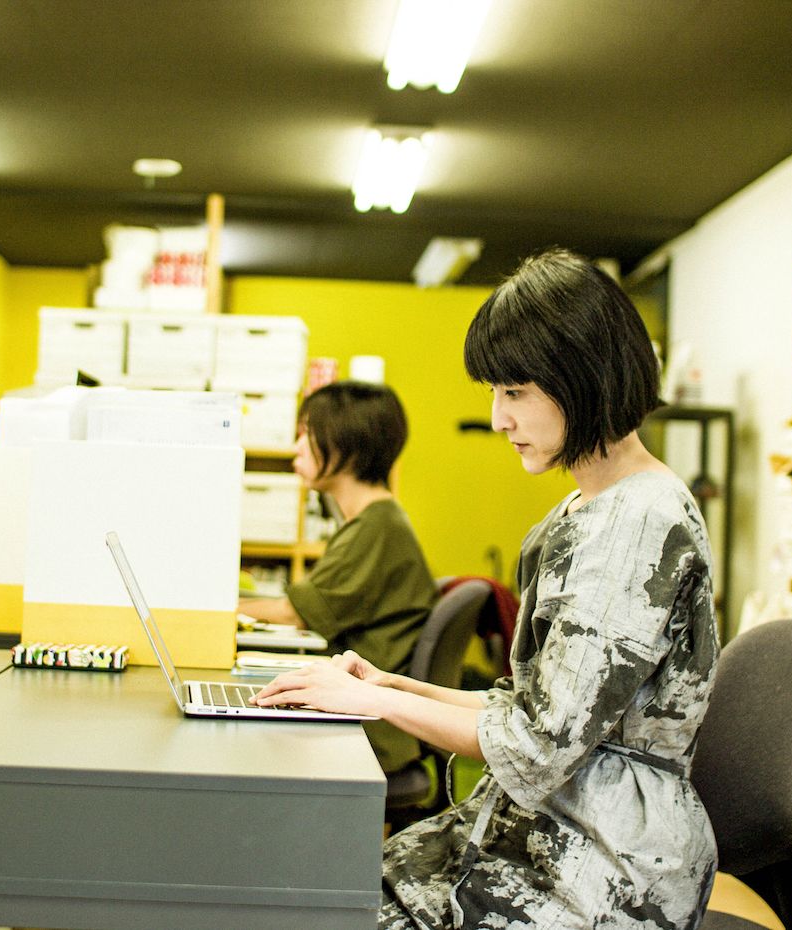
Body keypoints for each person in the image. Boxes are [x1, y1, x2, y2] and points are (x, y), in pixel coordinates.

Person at [255, 250, 719, 929]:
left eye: (515, 392)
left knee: (322, 907)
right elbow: (531, 708)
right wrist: (391, 687)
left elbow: (538, 747)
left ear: (582, 377)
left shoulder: (636, 525)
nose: (500, 419)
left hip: (607, 861)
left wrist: (370, 701)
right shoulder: (589, 510)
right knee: (321, 891)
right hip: (556, 823)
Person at [240, 380, 437, 775]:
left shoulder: (376, 527)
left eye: (307, 435)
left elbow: (295, 613)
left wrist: (222, 610)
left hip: (369, 728)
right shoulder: (373, 520)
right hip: (363, 710)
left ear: (346, 445)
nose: (296, 447)